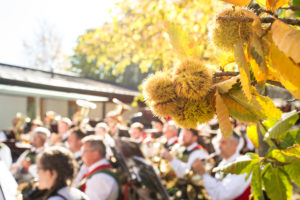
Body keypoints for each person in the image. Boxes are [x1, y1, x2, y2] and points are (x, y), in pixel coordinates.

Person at [192, 132, 251, 200]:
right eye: (219, 142)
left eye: (223, 142)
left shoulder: (243, 165)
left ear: (235, 144)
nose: (219, 146)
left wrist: (203, 174)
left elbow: (222, 194)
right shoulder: (222, 164)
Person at [78, 135, 119, 200]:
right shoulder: (93, 170)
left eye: (84, 151)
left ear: (95, 154)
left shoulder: (100, 178)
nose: (81, 155)